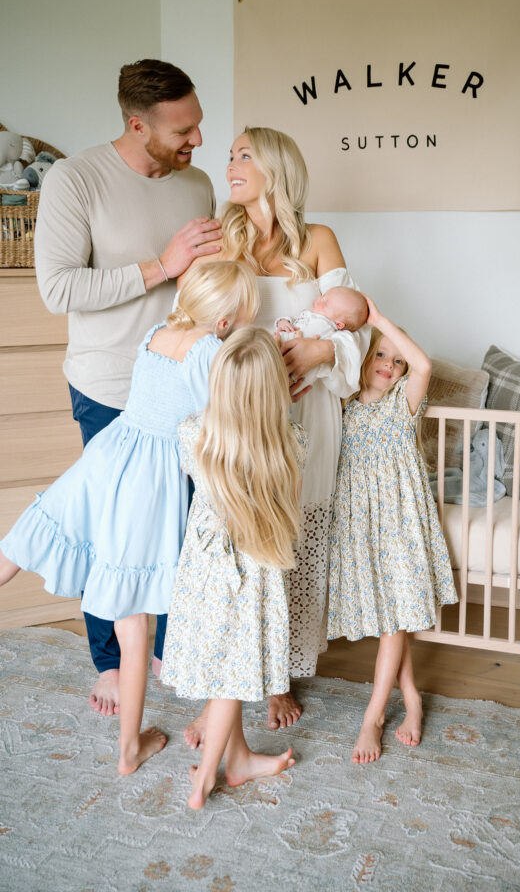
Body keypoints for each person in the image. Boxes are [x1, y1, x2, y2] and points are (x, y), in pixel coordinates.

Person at [0, 262, 258, 775]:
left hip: (109, 452)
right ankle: (127, 748)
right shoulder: (207, 352)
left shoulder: (157, 333)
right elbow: (219, 427)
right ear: (227, 319)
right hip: (147, 480)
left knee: (34, 530)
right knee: (134, 619)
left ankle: (130, 743)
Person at [34, 58, 223, 717]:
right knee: (114, 531)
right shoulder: (74, 181)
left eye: (198, 125)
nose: (197, 141)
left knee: (181, 524)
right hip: (109, 385)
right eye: (183, 130)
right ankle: (111, 661)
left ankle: (170, 648)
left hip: (185, 388)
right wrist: (159, 267)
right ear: (137, 124)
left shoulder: (196, 185)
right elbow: (59, 287)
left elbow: (204, 284)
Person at [182, 126, 369, 737]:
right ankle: (233, 672)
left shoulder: (318, 240)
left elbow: (358, 323)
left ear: (276, 168)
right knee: (240, 536)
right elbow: (199, 313)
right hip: (242, 411)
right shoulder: (222, 239)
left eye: (243, 155)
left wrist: (318, 352)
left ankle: (279, 674)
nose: (230, 164)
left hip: (306, 409)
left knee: (290, 534)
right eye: (230, 154)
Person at [161, 327, 307, 809]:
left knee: (232, 668)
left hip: (204, 573)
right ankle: (205, 779)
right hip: (249, 577)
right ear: (274, 391)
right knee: (231, 679)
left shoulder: (192, 434)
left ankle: (238, 759)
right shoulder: (289, 445)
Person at [326, 298, 457, 764]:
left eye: (395, 360)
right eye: (380, 354)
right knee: (389, 619)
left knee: (396, 620)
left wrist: (380, 321)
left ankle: (373, 716)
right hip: (362, 526)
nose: (389, 364)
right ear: (363, 358)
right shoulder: (343, 407)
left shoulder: (404, 404)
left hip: (399, 526)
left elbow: (422, 363)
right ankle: (413, 698)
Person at [274, 287, 369, 385]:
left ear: (339, 324)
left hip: (288, 358)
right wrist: (283, 322)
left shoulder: (326, 327)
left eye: (325, 303)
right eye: (322, 296)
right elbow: (293, 320)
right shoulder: (310, 313)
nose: (319, 299)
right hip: (278, 348)